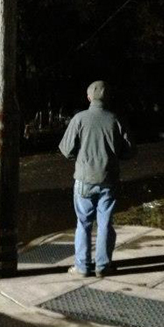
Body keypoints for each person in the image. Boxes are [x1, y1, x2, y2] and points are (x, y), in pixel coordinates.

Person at [58, 80, 135, 278]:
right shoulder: (115, 119)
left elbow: (66, 149)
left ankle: (82, 266)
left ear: (88, 97)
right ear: (107, 97)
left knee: (83, 223)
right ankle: (103, 266)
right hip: (108, 179)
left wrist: (81, 157)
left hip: (84, 179)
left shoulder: (79, 119)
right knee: (105, 223)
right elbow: (129, 151)